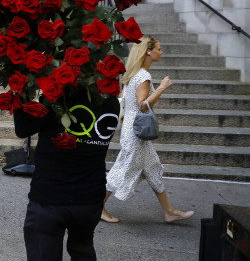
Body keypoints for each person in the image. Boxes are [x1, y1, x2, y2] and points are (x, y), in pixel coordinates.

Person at [13, 89, 120, 260]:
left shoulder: (57, 100)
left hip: (51, 198)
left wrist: (21, 90)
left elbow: (23, 128)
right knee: (83, 250)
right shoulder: (111, 102)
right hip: (90, 198)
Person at [101, 35, 194, 223]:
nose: (161, 51)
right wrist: (161, 88)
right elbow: (142, 105)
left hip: (133, 130)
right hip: (136, 133)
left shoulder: (133, 73)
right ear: (148, 51)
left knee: (153, 168)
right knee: (122, 169)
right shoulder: (143, 76)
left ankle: (169, 211)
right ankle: (97, 207)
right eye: (158, 48)